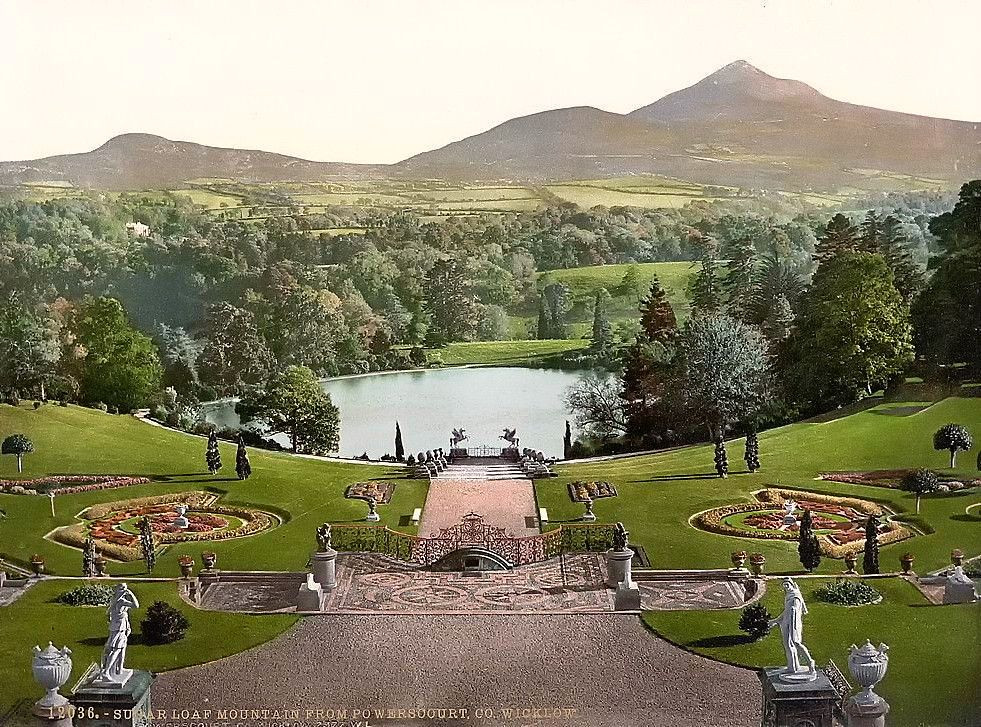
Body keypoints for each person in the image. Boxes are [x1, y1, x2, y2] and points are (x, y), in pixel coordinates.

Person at [768, 578, 816, 679]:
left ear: (791, 584)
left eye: (787, 585)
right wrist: (776, 621)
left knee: (796, 642)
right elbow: (786, 611)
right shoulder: (789, 595)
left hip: (794, 622)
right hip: (786, 621)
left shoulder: (795, 596)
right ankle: (792, 666)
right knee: (787, 644)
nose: (786, 587)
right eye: (784, 585)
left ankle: (810, 662)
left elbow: (794, 611)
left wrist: (792, 625)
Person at [97, 583, 140, 685]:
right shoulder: (121, 601)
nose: (125, 590)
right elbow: (136, 605)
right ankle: (106, 672)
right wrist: (131, 594)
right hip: (119, 627)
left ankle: (119, 669)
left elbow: (123, 614)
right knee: (116, 649)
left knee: (121, 648)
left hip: (120, 626)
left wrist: (128, 625)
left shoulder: (115, 600)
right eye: (123, 589)